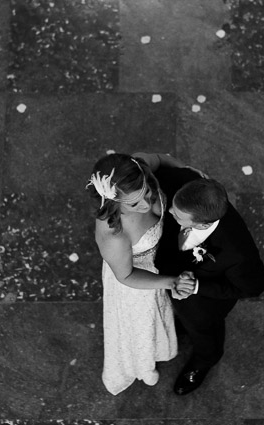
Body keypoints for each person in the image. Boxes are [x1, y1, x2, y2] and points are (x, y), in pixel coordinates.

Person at [138, 152, 264, 395]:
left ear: (203, 224)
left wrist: (196, 286)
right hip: (170, 274)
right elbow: (147, 164)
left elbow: (252, 288)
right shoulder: (182, 183)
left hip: (203, 303)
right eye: (174, 207)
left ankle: (204, 361)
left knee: (204, 332)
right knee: (180, 317)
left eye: (177, 215)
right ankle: (181, 325)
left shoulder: (238, 252)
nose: (169, 214)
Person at [88, 153, 195, 395]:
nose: (147, 204)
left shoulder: (136, 169)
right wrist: (170, 282)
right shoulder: (113, 235)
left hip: (165, 258)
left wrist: (189, 171)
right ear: (113, 203)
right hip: (138, 282)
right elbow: (125, 276)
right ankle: (145, 365)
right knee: (144, 327)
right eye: (135, 204)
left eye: (147, 192)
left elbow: (160, 158)